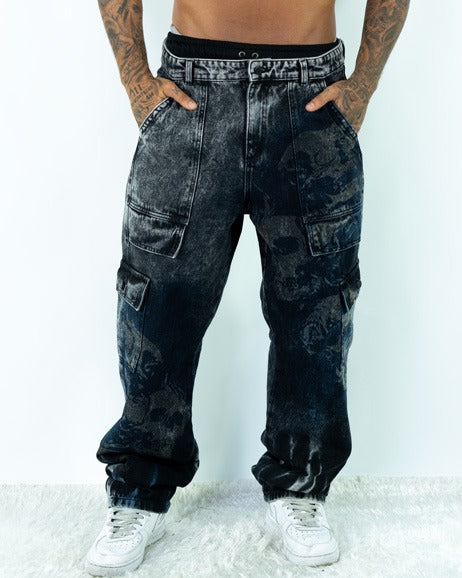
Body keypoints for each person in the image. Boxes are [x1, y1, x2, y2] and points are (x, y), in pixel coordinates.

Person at [85, 0, 410, 574]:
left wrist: (362, 85)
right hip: (192, 92)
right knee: (156, 300)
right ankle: (137, 491)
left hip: (309, 94)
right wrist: (136, 81)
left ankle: (300, 487)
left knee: (315, 306)